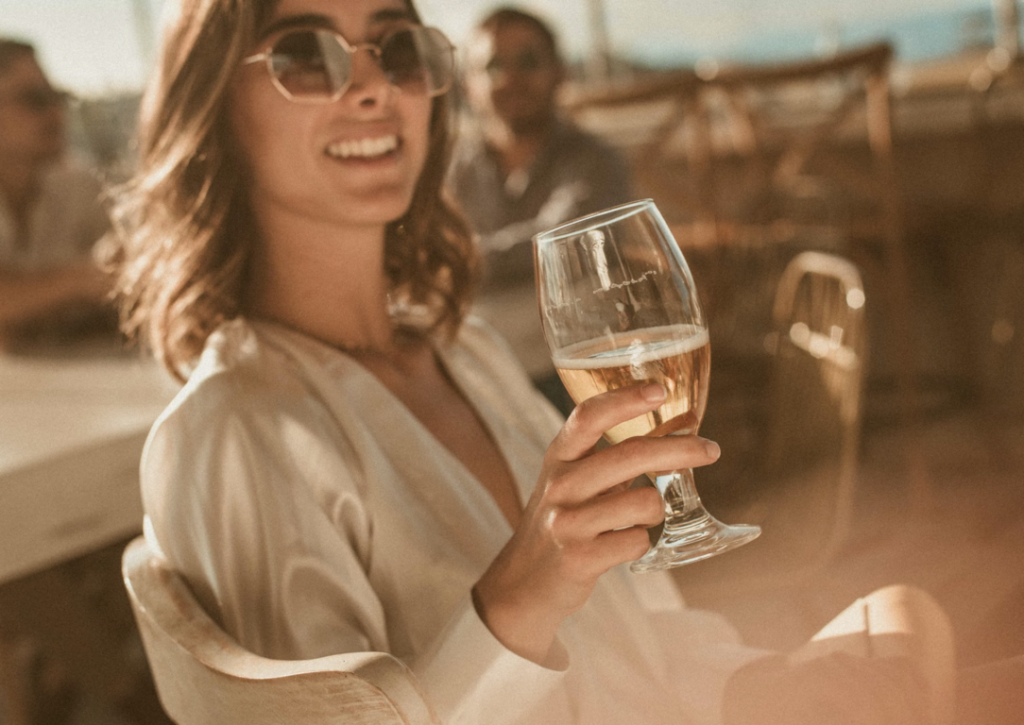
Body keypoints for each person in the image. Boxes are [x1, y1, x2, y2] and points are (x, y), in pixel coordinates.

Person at [111, 1, 1017, 724]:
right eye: (305, 55)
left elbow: (639, 635)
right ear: (211, 108)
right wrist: (515, 598)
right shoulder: (231, 430)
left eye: (396, 47)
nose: (371, 86)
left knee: (914, 622)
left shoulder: (463, 346)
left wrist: (743, 684)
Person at [449, 7, 633, 414]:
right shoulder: (452, 170)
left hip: (569, 373)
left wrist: (454, 261)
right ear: (469, 85)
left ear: (559, 73)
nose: (509, 78)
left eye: (528, 62)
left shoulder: (595, 161)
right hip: (477, 374)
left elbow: (564, 248)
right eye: (493, 66)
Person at [0, 39, 113, 348]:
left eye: (57, 98)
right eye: (35, 100)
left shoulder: (79, 186)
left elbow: (131, 267)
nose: (55, 112)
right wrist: (85, 279)